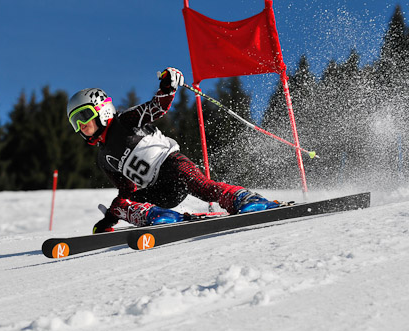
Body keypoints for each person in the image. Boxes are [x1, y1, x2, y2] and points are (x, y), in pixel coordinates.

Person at [66, 67, 281, 234]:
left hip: (171, 164)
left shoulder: (125, 121)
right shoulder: (104, 158)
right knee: (121, 203)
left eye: (84, 116)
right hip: (159, 190)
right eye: (75, 122)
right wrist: (111, 218)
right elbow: (126, 190)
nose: (81, 126)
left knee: (203, 188)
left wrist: (168, 86)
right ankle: (159, 216)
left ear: (101, 109)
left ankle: (245, 200)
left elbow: (156, 107)